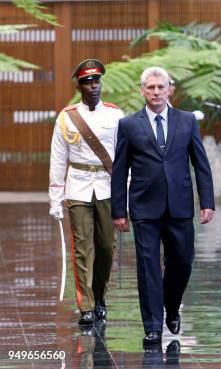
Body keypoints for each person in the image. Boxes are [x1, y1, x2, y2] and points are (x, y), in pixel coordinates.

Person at [111, 66, 215, 345]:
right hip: (144, 207)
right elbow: (119, 169)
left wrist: (207, 201)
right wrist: (119, 211)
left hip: (180, 205)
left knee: (182, 262)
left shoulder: (187, 121)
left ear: (170, 89)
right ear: (142, 90)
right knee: (148, 267)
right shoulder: (129, 125)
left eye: (161, 87)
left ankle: (171, 306)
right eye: (151, 87)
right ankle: (153, 326)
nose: (156, 92)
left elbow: (201, 164)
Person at [49, 59, 124, 326]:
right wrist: (55, 199)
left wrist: (127, 190)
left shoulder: (116, 115)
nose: (93, 86)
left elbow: (125, 156)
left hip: (107, 187)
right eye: (88, 82)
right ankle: (87, 305)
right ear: (79, 86)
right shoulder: (67, 117)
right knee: (82, 247)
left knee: (106, 246)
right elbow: (58, 159)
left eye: (96, 81)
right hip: (79, 187)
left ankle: (100, 295)